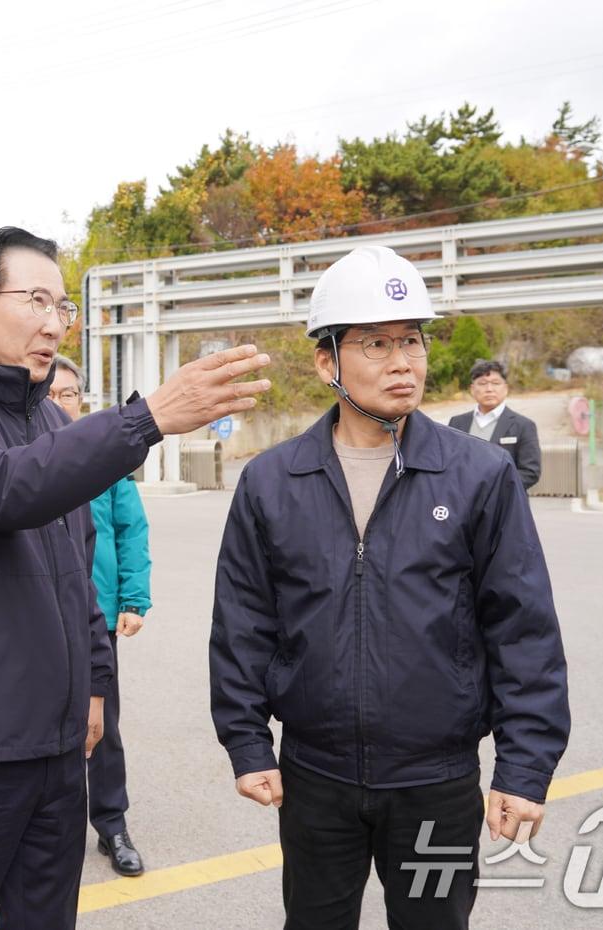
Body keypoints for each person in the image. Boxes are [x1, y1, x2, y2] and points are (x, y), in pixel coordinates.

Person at [0, 226, 271, 930]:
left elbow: (77, 575)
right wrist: (146, 418)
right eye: (36, 301)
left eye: (64, 308)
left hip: (55, 752)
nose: (55, 323)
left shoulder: (51, 424)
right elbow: (3, 490)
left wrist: (94, 685)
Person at [209, 246, 570, 930]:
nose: (403, 361)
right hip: (315, 779)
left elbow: (522, 626)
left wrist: (525, 767)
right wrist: (248, 741)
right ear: (327, 363)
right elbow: (243, 621)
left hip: (437, 781)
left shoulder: (478, 475)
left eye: (412, 341)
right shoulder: (272, 481)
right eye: (375, 344)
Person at [48, 356, 153, 878]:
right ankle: (41, 826)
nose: (61, 403)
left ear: (82, 401)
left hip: (97, 615)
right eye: (50, 394)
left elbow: (130, 529)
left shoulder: (104, 456)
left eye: (69, 394)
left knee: (101, 726)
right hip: (39, 619)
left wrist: (133, 598)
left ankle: (112, 824)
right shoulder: (25, 454)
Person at [448, 359, 542, 490]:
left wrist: (490, 490)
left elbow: (530, 472)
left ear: (506, 388)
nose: (489, 389)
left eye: (496, 383)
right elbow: (449, 465)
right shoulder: (457, 423)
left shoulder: (523, 425)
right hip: (463, 503)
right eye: (482, 383)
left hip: (505, 504)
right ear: (472, 389)